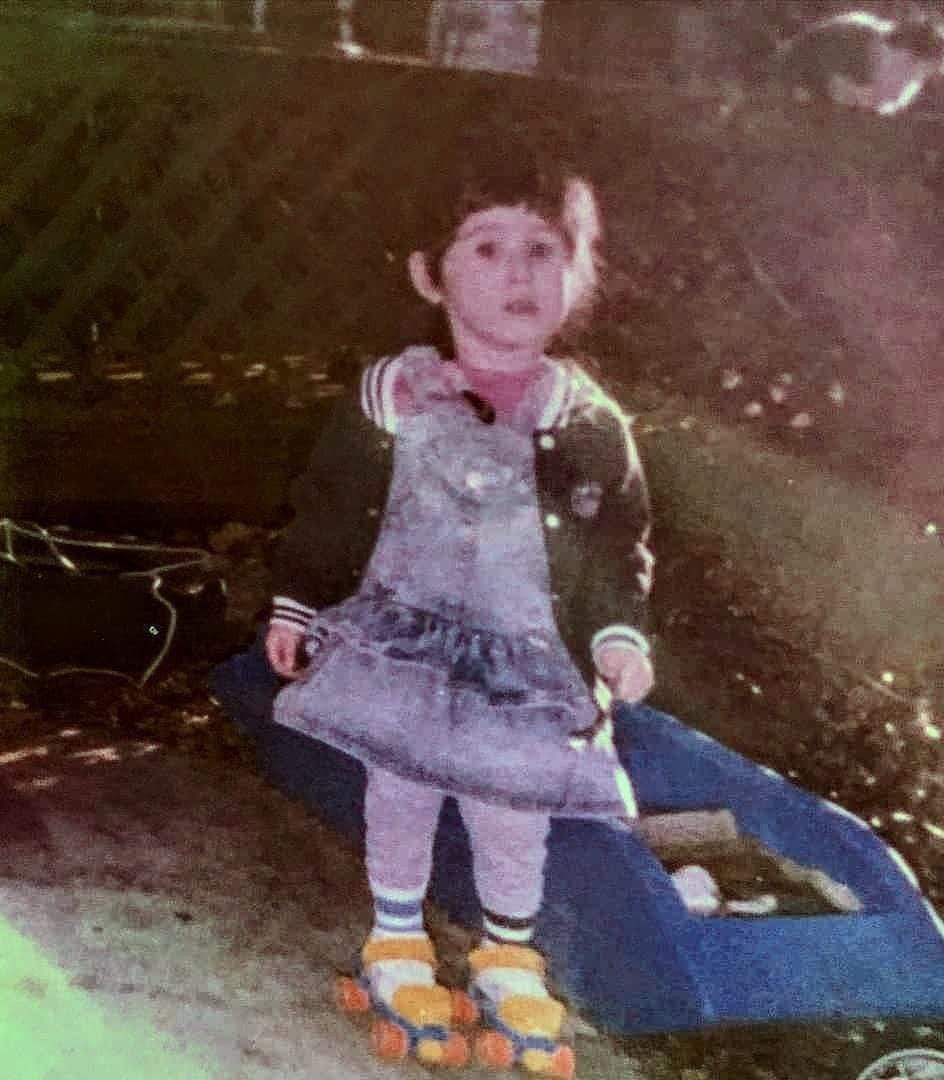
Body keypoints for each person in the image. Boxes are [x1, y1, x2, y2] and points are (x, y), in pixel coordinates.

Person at [264, 130, 654, 1075]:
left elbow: (615, 543)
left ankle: (505, 951)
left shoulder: (589, 422)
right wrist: (299, 602)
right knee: (400, 784)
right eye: (487, 247)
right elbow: (330, 507)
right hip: (406, 638)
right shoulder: (393, 396)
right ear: (429, 276)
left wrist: (615, 634)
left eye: (544, 251)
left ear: (579, 273)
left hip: (524, 659)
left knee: (510, 803)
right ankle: (396, 937)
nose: (519, 273)